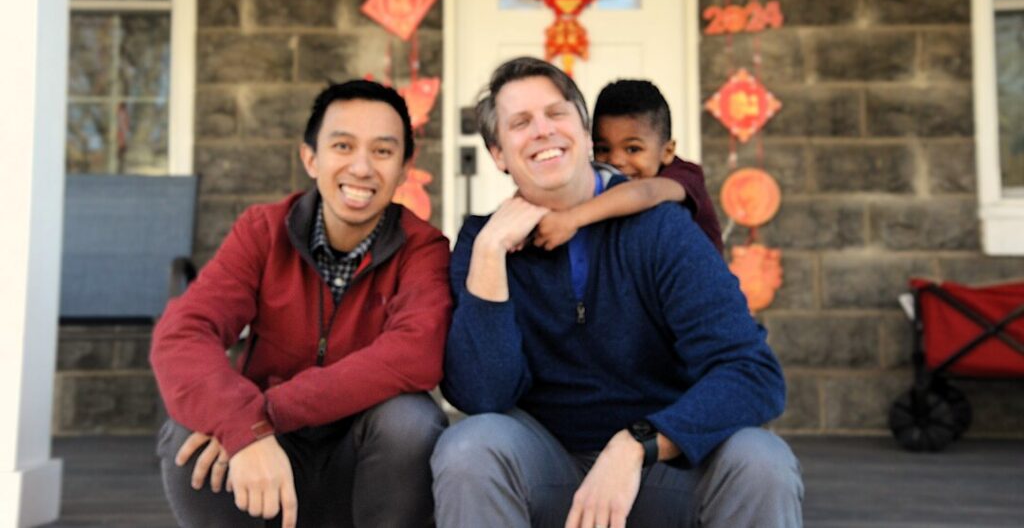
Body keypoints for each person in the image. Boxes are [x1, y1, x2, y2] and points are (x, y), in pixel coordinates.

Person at [431, 57, 802, 528]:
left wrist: (638, 442)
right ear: (498, 154)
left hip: (665, 468)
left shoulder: (662, 228)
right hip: (548, 470)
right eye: (520, 122)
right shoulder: (484, 243)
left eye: (556, 113)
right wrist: (489, 257)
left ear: (586, 134)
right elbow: (482, 395)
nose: (543, 130)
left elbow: (754, 373)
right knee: (469, 448)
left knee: (761, 459)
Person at [151, 80, 452, 528]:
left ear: (405, 167)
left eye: (383, 152)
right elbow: (184, 332)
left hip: (361, 467)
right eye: (343, 146)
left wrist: (262, 416)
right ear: (311, 158)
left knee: (411, 422)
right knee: (188, 432)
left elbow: (415, 354)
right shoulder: (263, 231)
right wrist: (242, 430)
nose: (362, 167)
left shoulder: (422, 248)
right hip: (263, 472)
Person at [533, 79, 723, 254]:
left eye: (633, 149)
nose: (616, 160)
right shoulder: (600, 173)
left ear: (667, 151)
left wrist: (571, 219)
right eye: (603, 148)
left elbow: (645, 193)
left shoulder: (684, 175)